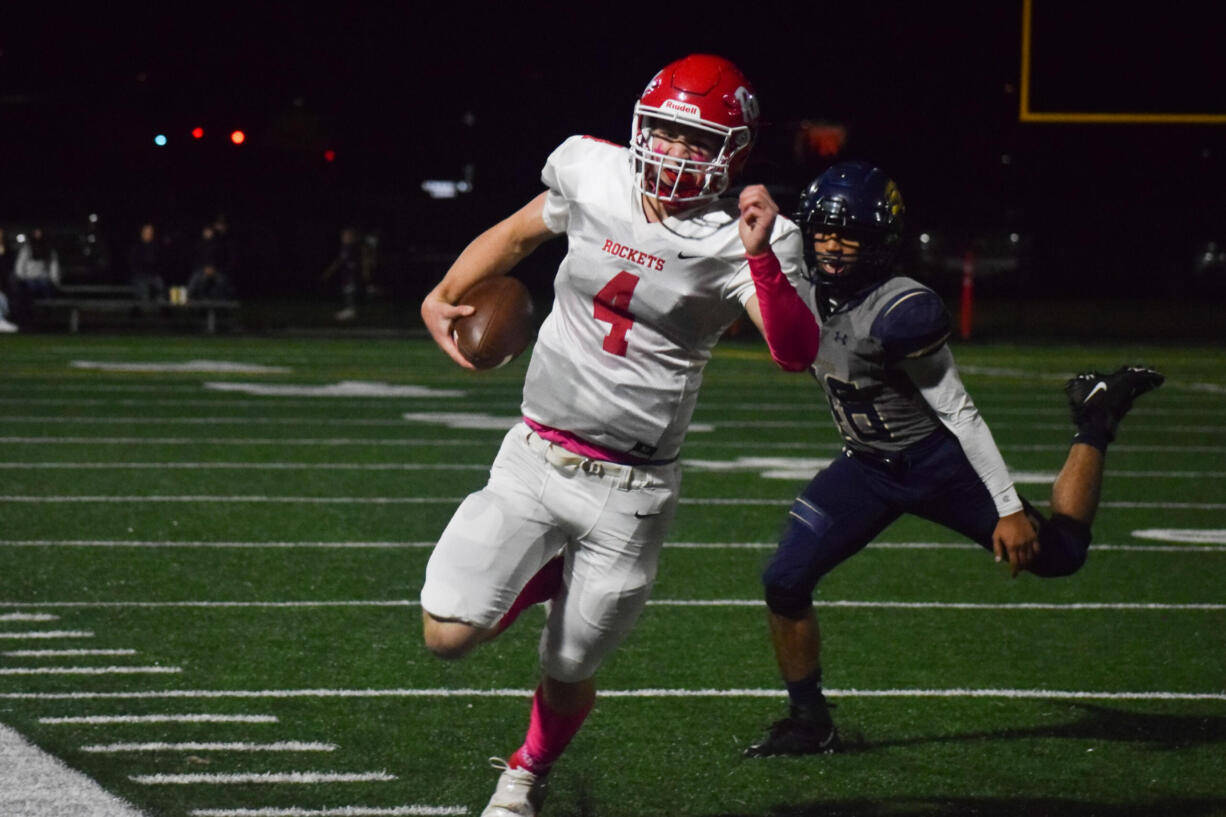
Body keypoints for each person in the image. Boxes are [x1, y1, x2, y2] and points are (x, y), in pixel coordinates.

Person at [418, 54, 810, 816]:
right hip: (535, 456)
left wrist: (761, 259)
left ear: (733, 152)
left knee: (568, 663)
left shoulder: (748, 235)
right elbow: (515, 234)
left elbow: (794, 352)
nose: (672, 151)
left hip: (631, 492)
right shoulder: (591, 173)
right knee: (446, 636)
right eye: (663, 131)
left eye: (696, 141)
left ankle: (524, 773)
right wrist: (447, 291)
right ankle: (546, 578)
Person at [735, 160, 1165, 757]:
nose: (832, 247)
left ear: (880, 241)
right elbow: (751, 225)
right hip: (865, 466)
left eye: (850, 236)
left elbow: (959, 412)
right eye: (824, 233)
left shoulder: (901, 308)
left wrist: (1008, 507)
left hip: (934, 464)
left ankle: (1096, 417)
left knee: (1061, 557)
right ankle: (810, 721)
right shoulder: (792, 266)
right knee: (784, 581)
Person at [320, 226, 374, 320]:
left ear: (352, 237)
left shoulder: (356, 247)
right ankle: (353, 309)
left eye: (346, 235)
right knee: (348, 290)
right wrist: (329, 271)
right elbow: (339, 261)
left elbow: (365, 259)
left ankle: (351, 310)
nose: (343, 237)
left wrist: (366, 271)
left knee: (351, 290)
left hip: (355, 274)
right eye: (343, 235)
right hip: (347, 274)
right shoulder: (345, 248)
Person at [10, 227, 61, 316]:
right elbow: (20, 266)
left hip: (44, 280)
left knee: (46, 287)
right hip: (29, 279)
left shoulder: (49, 250)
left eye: (40, 234)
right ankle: (30, 313)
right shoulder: (27, 250)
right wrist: (23, 278)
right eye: (36, 234)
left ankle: (47, 311)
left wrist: (55, 280)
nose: (38, 236)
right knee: (27, 290)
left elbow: (54, 267)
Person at [127, 222, 166, 303]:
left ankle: (163, 309)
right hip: (140, 275)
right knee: (143, 293)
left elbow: (160, 262)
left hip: (153, 275)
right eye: (147, 232)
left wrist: (155, 270)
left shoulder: (156, 246)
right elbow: (134, 263)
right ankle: (142, 309)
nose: (149, 234)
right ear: (142, 233)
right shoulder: (137, 246)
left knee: (160, 287)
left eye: (150, 232)